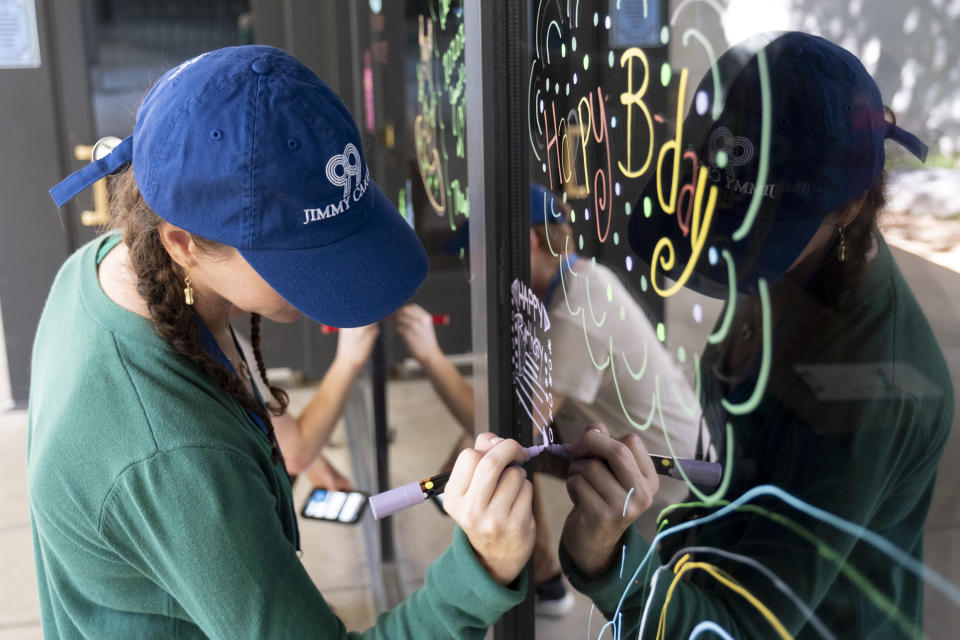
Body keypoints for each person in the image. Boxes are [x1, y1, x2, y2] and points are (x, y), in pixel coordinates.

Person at [30, 45, 535, 639]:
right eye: (298, 262)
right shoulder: (178, 457)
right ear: (184, 243)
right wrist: (482, 569)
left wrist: (265, 459)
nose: (333, 280)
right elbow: (178, 465)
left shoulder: (104, 269)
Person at [555, 32, 953, 638]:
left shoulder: (866, 392)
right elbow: (744, 478)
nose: (731, 267)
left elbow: (745, 629)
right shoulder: (802, 268)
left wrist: (610, 561)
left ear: (848, 208)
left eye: (756, 235)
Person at [395, 184, 702, 615]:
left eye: (481, 250)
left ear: (530, 242)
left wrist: (428, 355)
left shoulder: (578, 308)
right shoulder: (562, 289)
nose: (473, 266)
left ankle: (544, 580)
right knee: (515, 452)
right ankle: (545, 580)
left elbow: (505, 423)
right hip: (621, 458)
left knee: (652, 612)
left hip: (668, 485)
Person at [232, 314, 378, 491]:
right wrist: (349, 358)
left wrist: (312, 460)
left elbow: (264, 419)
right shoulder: (215, 346)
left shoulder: (215, 328)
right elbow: (295, 455)